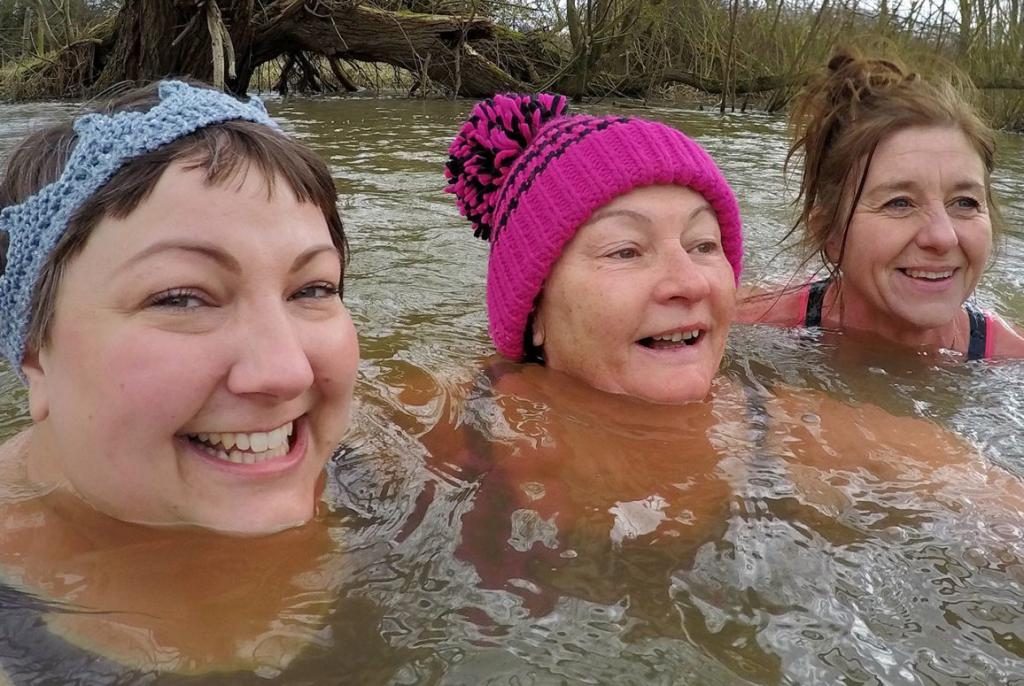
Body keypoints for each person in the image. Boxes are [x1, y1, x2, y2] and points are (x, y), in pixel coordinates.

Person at [431, 93, 1024, 637]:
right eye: (625, 250)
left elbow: (996, 508)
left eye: (704, 245)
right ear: (533, 310)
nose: (690, 281)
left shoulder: (815, 431)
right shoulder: (444, 416)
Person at [0, 80, 360, 678]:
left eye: (313, 288)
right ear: (36, 355)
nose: (286, 370)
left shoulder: (378, 460)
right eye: (182, 298)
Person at [737, 47, 1024, 359]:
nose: (944, 236)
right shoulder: (747, 325)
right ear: (830, 234)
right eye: (900, 203)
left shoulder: (1012, 362)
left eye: (965, 203)